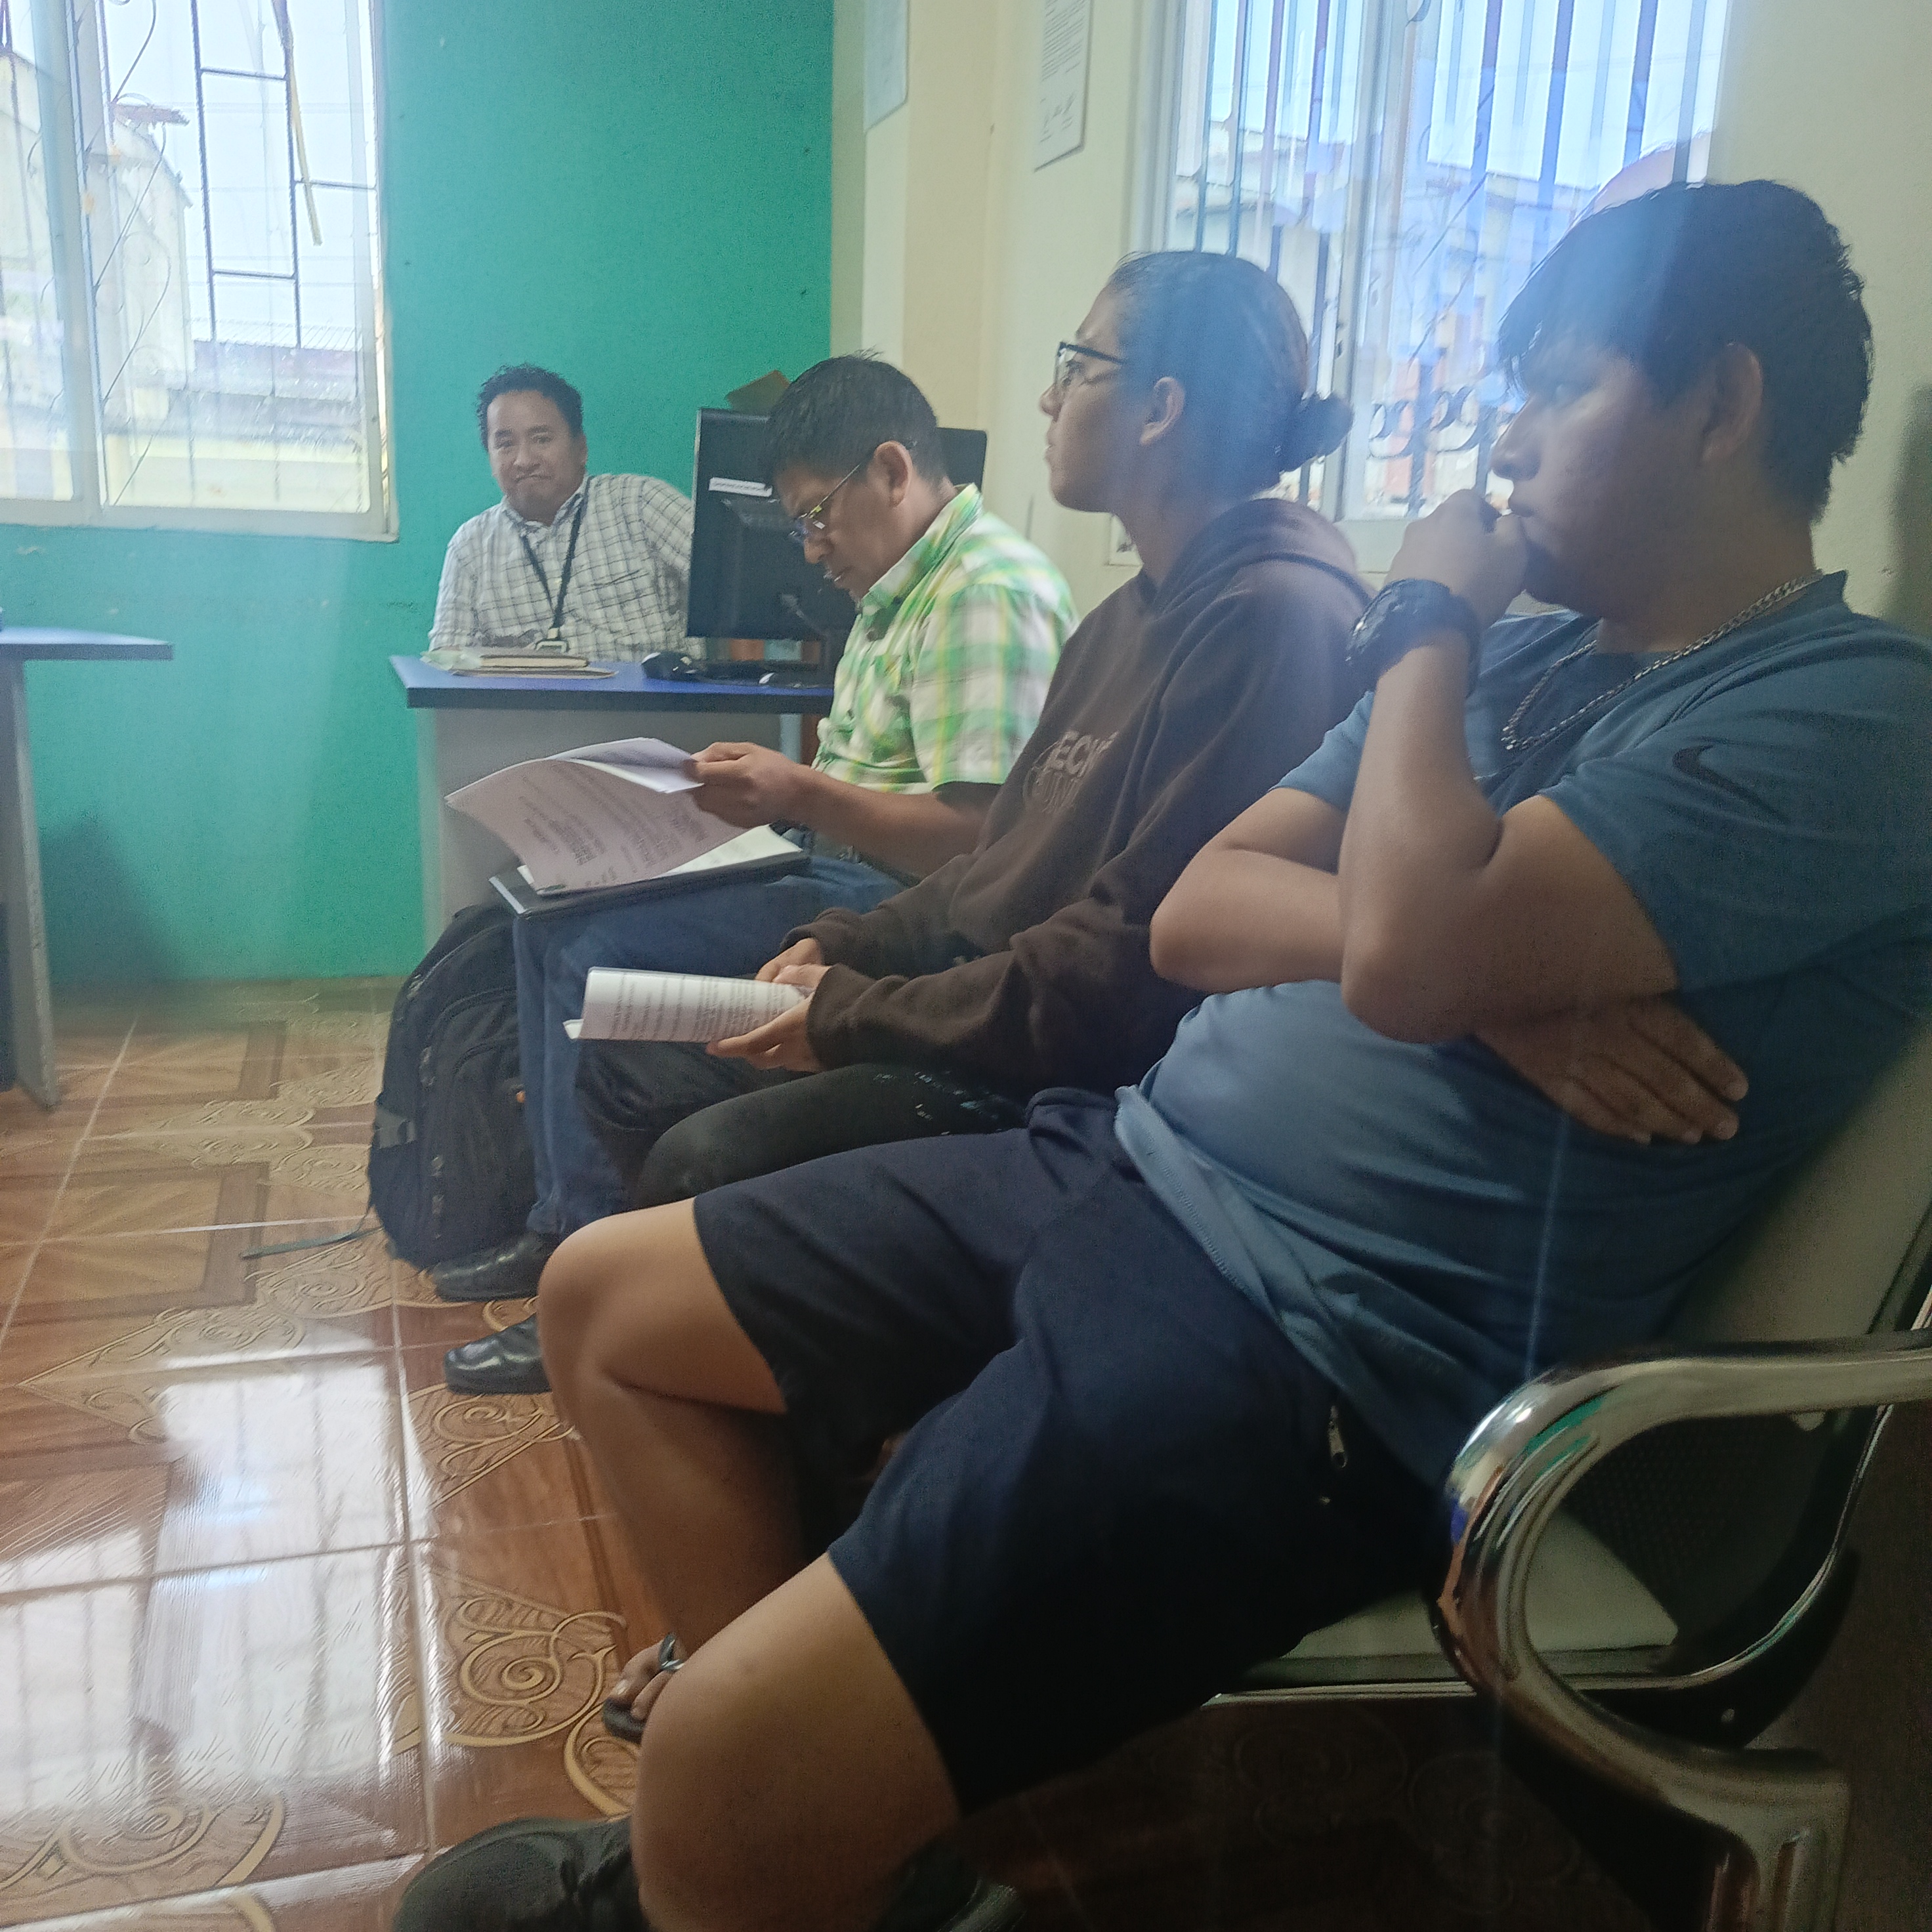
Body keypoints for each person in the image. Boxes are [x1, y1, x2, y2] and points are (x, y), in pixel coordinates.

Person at [394, 182, 1932, 1932]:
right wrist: (1490, 972)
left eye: (1556, 387)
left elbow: (1403, 943)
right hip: (1125, 1155)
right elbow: (1206, 911)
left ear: (1721, 403)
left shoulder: (1844, 714)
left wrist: (1425, 649)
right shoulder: (1517, 660)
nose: (1503, 442)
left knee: (716, 1763)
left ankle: (740, 1817)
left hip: (1316, 1341)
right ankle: (816, 1845)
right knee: (604, 1303)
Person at [565, 249, 1366, 1228]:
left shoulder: (1272, 620)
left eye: (1077, 367)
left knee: (702, 1159)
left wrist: (853, 1013)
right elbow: (1001, 862)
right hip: (992, 1007)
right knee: (632, 1059)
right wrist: (846, 941)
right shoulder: (1121, 622)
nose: (1047, 398)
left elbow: (1119, 971)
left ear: (1160, 408)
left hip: (1071, 1084)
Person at [434, 356, 1075, 1391]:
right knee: (543, 908)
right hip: (837, 869)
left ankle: (588, 1276)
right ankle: (559, 1225)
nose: (812, 550)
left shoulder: (983, 595)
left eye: (818, 518)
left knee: (593, 949)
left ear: (892, 470)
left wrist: (799, 794)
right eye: (798, 526)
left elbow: (981, 843)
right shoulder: (901, 586)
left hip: (904, 908)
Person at [427, 364, 694, 662]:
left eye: (541, 439)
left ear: (581, 448)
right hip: (526, 694)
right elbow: (447, 661)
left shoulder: (640, 504)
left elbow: (729, 584)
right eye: (505, 444)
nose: (523, 460)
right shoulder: (470, 547)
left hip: (649, 692)